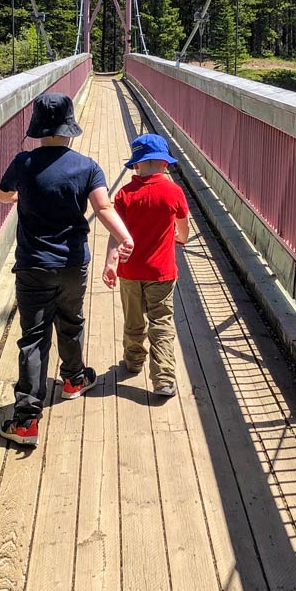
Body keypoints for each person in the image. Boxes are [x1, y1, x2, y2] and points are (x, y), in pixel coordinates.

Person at [0, 91, 134, 446]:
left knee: (34, 338)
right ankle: (74, 378)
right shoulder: (87, 167)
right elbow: (103, 209)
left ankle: (26, 420)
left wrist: (19, 196)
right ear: (70, 129)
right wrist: (124, 237)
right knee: (71, 321)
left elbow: (1, 194)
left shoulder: (23, 163)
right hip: (73, 263)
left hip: (34, 265)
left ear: (37, 129)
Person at [102, 133, 189, 397]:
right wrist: (180, 238)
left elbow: (115, 233)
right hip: (162, 273)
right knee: (161, 321)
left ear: (136, 164)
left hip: (129, 271)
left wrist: (110, 263)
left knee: (133, 319)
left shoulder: (125, 195)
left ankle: (133, 360)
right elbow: (183, 228)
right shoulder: (173, 192)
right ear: (164, 163)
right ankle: (163, 378)